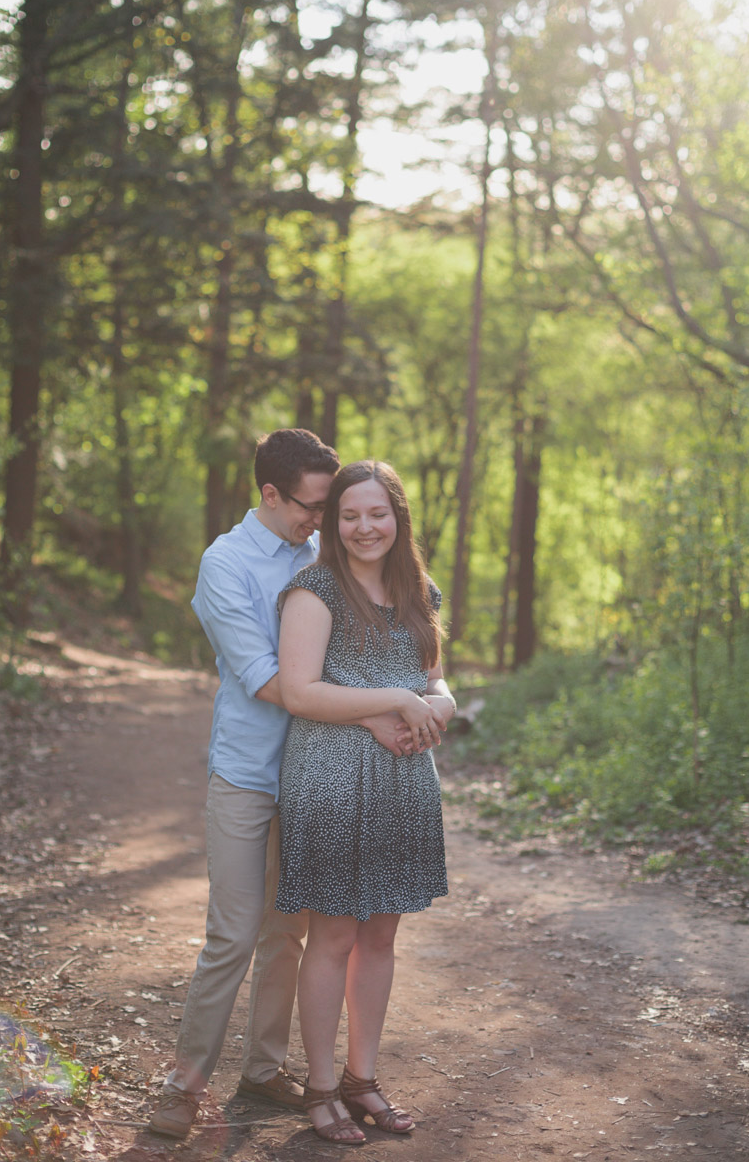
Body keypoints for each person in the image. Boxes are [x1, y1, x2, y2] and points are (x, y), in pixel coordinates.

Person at [149, 430, 409, 1140]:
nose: (324, 519)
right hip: (247, 773)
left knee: (288, 934)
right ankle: (183, 1086)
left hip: (313, 778)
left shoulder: (323, 555)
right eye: (314, 505)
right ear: (271, 494)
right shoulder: (224, 565)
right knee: (232, 932)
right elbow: (271, 681)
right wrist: (378, 717)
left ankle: (264, 1072)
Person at [275, 460, 456, 1145]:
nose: (363, 527)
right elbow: (300, 691)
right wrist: (395, 701)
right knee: (334, 935)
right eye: (348, 515)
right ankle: (320, 1087)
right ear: (332, 523)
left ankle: (362, 1078)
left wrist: (439, 704)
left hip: (405, 781)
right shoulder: (315, 589)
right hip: (330, 776)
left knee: (381, 934)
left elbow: (436, 678)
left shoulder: (419, 591)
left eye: (375, 513)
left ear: (397, 516)